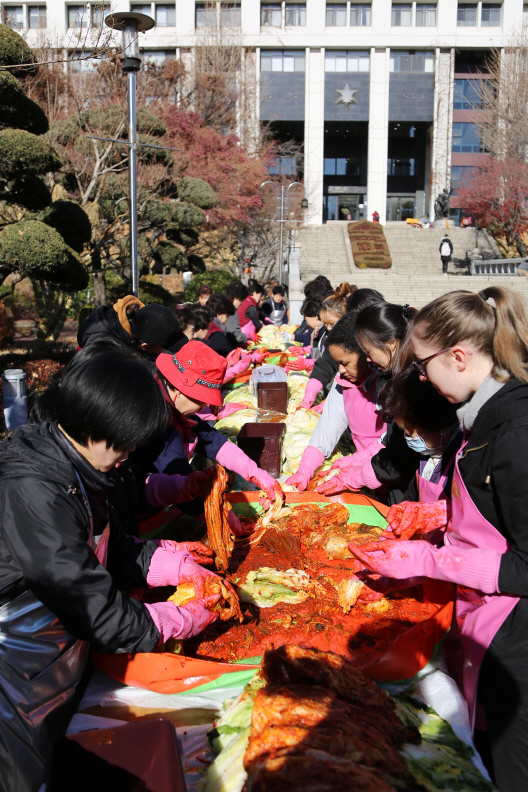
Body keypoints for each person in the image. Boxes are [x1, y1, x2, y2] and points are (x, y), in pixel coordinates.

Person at [0, 345, 232, 791]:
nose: (128, 456)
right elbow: (91, 605)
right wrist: (172, 620)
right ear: (94, 427)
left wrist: (170, 566)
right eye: (125, 444)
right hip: (16, 671)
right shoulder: (32, 489)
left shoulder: (84, 468)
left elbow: (107, 547)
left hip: (61, 657)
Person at [350, 287, 528, 791]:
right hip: (484, 626)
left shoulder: (515, 429)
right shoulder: (480, 419)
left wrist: (432, 561)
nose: (422, 378)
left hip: (516, 640)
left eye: (423, 364)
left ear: (458, 355)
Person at [132, 341, 284, 516]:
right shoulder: (158, 422)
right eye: (201, 399)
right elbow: (184, 483)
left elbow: (211, 440)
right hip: (139, 515)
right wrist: (224, 519)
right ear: (181, 388)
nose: (204, 406)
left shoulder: (174, 405)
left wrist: (255, 472)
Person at [318, 302, 420, 504]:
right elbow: (388, 441)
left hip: (409, 488)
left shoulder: (410, 383)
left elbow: (400, 456)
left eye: (368, 351)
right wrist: (353, 462)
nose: (368, 359)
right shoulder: (394, 375)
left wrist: (353, 477)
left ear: (391, 343)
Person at [286, 312, 386, 492]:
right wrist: (304, 470)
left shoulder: (386, 384)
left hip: (386, 471)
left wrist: (353, 462)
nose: (340, 370)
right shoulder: (343, 382)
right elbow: (327, 429)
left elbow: (390, 444)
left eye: (345, 363)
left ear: (366, 353)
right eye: (337, 363)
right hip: (363, 474)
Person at [376, 365, 461, 506]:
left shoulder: (460, 464)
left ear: (433, 423)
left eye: (408, 429)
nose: (406, 436)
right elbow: (412, 496)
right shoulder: (427, 454)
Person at [299, 285, 378, 409]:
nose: (328, 328)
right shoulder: (333, 338)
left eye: (332, 323)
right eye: (325, 324)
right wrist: (312, 390)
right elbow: (326, 364)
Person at [78, 295, 184, 355]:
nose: (165, 351)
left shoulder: (137, 320)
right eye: (166, 347)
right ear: (145, 346)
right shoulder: (106, 350)